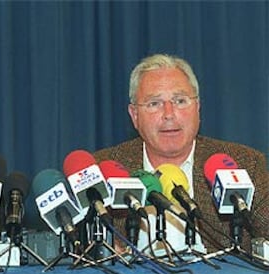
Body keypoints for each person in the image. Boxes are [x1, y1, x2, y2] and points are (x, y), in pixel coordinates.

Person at [94, 53, 268, 255]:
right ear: (134, 116)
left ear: (198, 108)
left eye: (180, 101)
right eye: (154, 103)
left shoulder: (244, 163)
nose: (169, 114)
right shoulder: (103, 168)